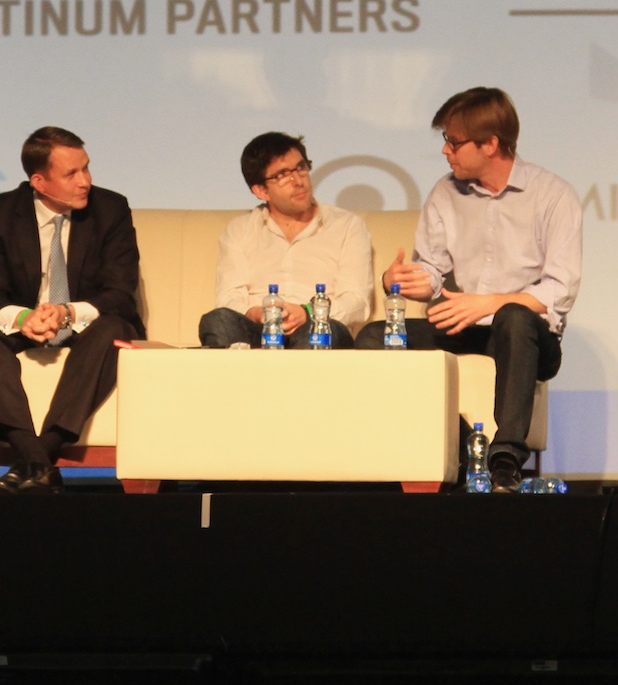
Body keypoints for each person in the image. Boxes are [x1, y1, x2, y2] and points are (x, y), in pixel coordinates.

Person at [354, 88, 581, 492]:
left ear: (490, 144)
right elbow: (432, 269)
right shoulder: (446, 192)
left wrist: (490, 303)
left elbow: (559, 288)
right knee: (374, 336)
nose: (446, 151)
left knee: (514, 317)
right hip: (468, 328)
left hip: (530, 337)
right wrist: (402, 280)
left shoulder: (553, 195)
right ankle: (454, 446)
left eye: (453, 141)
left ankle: (505, 459)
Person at [0, 126, 142, 493]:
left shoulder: (111, 209)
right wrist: (24, 318)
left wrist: (67, 312)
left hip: (85, 326)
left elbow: (121, 293)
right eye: (72, 174)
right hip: (29, 325)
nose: (85, 181)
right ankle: (34, 453)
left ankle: (37, 454)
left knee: (114, 329)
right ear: (39, 182)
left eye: (86, 168)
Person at [198, 132, 375, 349]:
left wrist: (308, 312)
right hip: (259, 330)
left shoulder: (347, 226)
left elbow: (357, 301)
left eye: (300, 168)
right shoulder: (240, 230)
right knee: (217, 320)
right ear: (261, 191)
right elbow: (229, 296)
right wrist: (254, 313)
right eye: (282, 175)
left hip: (319, 326)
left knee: (317, 332)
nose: (298, 181)